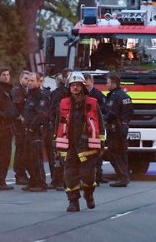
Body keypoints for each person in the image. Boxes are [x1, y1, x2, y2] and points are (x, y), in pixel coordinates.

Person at [55, 72, 105, 212]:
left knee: (88, 177)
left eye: (78, 85)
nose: (75, 88)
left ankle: (88, 195)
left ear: (83, 87)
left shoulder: (93, 103)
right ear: (69, 87)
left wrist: (101, 144)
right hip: (69, 145)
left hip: (87, 145)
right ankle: (73, 202)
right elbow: (57, 124)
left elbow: (100, 124)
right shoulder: (64, 104)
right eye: (73, 85)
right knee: (69, 175)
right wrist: (56, 144)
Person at [0, 67, 19, 190]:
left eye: (8, 74)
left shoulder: (8, 88)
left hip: (7, 125)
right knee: (1, 155)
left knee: (5, 155)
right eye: (3, 74)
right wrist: (4, 116)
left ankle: (0, 179)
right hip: (0, 126)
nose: (6, 77)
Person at [22, 72, 51, 192]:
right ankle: (33, 181)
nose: (29, 82)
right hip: (27, 130)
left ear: (39, 81)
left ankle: (41, 183)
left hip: (36, 130)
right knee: (27, 158)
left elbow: (41, 114)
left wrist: (32, 125)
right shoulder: (30, 94)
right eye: (28, 80)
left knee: (36, 158)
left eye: (32, 80)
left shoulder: (41, 95)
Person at [105, 73, 134, 187]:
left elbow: (111, 113)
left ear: (113, 83)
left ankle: (122, 177)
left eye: (108, 83)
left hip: (115, 128)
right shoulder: (125, 96)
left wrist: (103, 119)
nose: (106, 85)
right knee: (122, 153)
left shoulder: (114, 96)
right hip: (124, 126)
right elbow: (131, 112)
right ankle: (125, 175)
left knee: (114, 153)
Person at [47, 68, 72, 191]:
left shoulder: (78, 93)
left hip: (73, 128)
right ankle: (57, 180)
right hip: (60, 128)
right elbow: (53, 111)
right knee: (58, 155)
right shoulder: (58, 93)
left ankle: (68, 180)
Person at [84, 73, 108, 184]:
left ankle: (98, 175)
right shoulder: (80, 95)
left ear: (92, 83)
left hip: (96, 127)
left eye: (88, 85)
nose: (86, 88)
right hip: (84, 128)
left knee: (97, 151)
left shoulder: (98, 95)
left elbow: (104, 110)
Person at [12, 71, 31, 185]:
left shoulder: (27, 91)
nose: (27, 81)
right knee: (20, 150)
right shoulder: (17, 90)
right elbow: (15, 106)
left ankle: (23, 173)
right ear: (20, 79)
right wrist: (20, 117)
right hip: (19, 125)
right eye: (25, 78)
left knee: (25, 150)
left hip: (25, 125)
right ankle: (19, 174)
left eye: (29, 79)